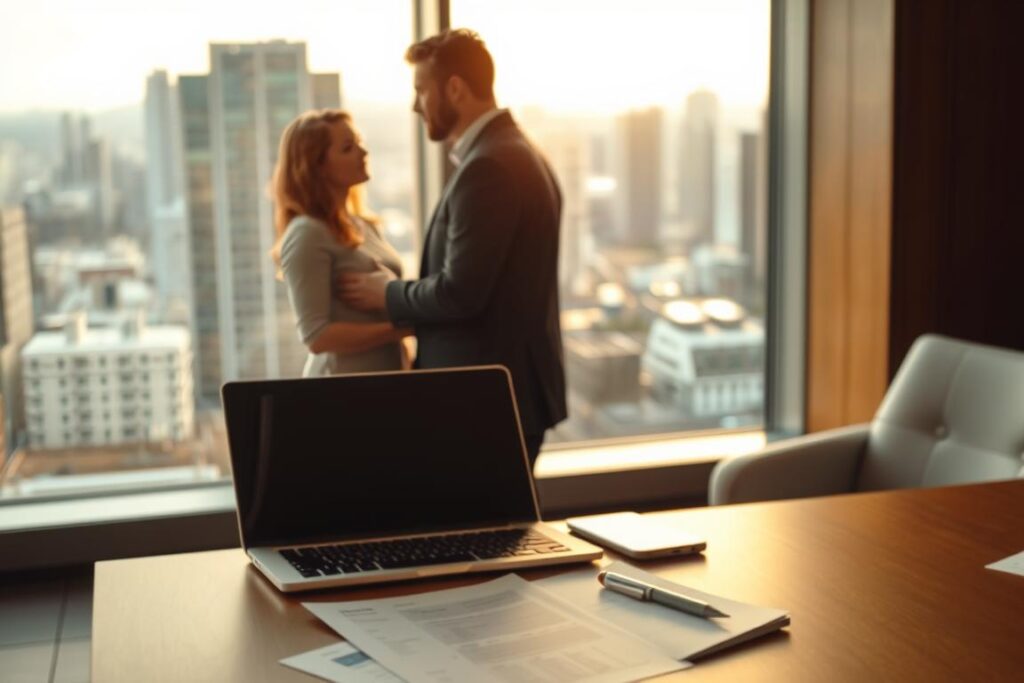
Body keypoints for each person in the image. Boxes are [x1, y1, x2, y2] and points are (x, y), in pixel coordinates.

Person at [339, 29, 566, 464]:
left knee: (488, 530)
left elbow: (461, 293)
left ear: (456, 89)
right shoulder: (518, 150)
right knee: (501, 528)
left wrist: (386, 294)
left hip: (486, 401)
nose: (414, 105)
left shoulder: (490, 168)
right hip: (503, 395)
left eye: (421, 90)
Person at [271, 109, 409, 376]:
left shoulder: (364, 224)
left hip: (385, 381)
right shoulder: (307, 233)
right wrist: (405, 328)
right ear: (317, 167)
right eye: (348, 148)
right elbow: (317, 336)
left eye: (359, 142)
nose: (363, 152)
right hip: (340, 388)